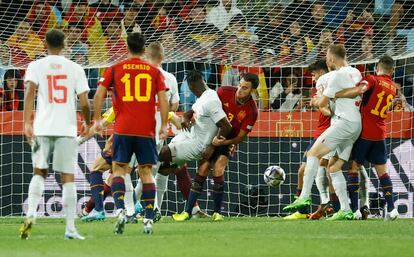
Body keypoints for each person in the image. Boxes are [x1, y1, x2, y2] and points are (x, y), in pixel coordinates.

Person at [93, 32, 168, 235]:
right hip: (146, 131)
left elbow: (99, 94)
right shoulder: (154, 71)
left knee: (118, 170)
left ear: (127, 48)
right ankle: (149, 219)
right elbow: (163, 99)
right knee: (146, 173)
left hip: (123, 129)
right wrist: (163, 126)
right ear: (144, 50)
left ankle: (119, 211)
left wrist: (98, 119)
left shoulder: (115, 69)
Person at [20, 29, 91, 240]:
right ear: (65, 44)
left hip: (42, 127)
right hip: (66, 128)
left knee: (39, 172)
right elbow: (85, 102)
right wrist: (87, 123)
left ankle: (31, 214)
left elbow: (29, 93)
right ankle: (70, 228)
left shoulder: (35, 66)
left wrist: (26, 123)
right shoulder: (76, 68)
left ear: (45, 44)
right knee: (68, 177)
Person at [283, 44, 362, 221]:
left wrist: (314, 101)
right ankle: (345, 209)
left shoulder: (334, 77)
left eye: (327, 57)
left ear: (332, 59)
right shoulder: (356, 72)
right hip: (356, 123)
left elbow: (322, 103)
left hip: (343, 122)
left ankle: (304, 196)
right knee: (333, 167)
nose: (327, 60)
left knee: (313, 154)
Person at [172, 73, 259, 222]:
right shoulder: (223, 91)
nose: (240, 90)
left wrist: (224, 143)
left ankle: (217, 213)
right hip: (210, 136)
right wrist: (188, 115)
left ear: (252, 91)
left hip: (227, 141)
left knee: (218, 168)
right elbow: (203, 104)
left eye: (245, 88)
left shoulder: (252, 111)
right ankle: (187, 212)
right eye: (240, 85)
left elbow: (241, 137)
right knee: (202, 169)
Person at [157, 70, 232, 214]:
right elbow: (190, 112)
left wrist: (212, 146)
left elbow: (227, 126)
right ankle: (160, 209)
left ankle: (139, 203)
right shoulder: (203, 96)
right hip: (189, 136)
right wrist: (185, 117)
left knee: (159, 155)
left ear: (190, 87)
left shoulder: (211, 101)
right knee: (161, 168)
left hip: (199, 146)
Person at [336, 55, 399, 220]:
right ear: (392, 70)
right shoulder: (393, 87)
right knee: (382, 173)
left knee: (354, 168)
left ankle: (356, 209)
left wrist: (338, 94)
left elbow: (360, 90)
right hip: (380, 134)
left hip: (364, 134)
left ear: (377, 66)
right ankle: (392, 209)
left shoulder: (372, 79)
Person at [283, 59, 336, 220]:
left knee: (329, 171)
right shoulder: (320, 89)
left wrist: (318, 103)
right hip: (319, 132)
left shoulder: (329, 88)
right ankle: (305, 209)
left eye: (314, 74)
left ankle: (333, 206)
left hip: (329, 133)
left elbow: (329, 112)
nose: (313, 78)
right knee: (308, 171)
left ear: (321, 73)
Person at [134, 41, 179, 218]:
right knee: (150, 171)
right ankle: (148, 209)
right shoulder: (170, 77)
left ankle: (130, 208)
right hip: (157, 131)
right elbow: (174, 105)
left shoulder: (137, 73)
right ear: (162, 57)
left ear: (146, 55)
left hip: (133, 127)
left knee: (122, 170)